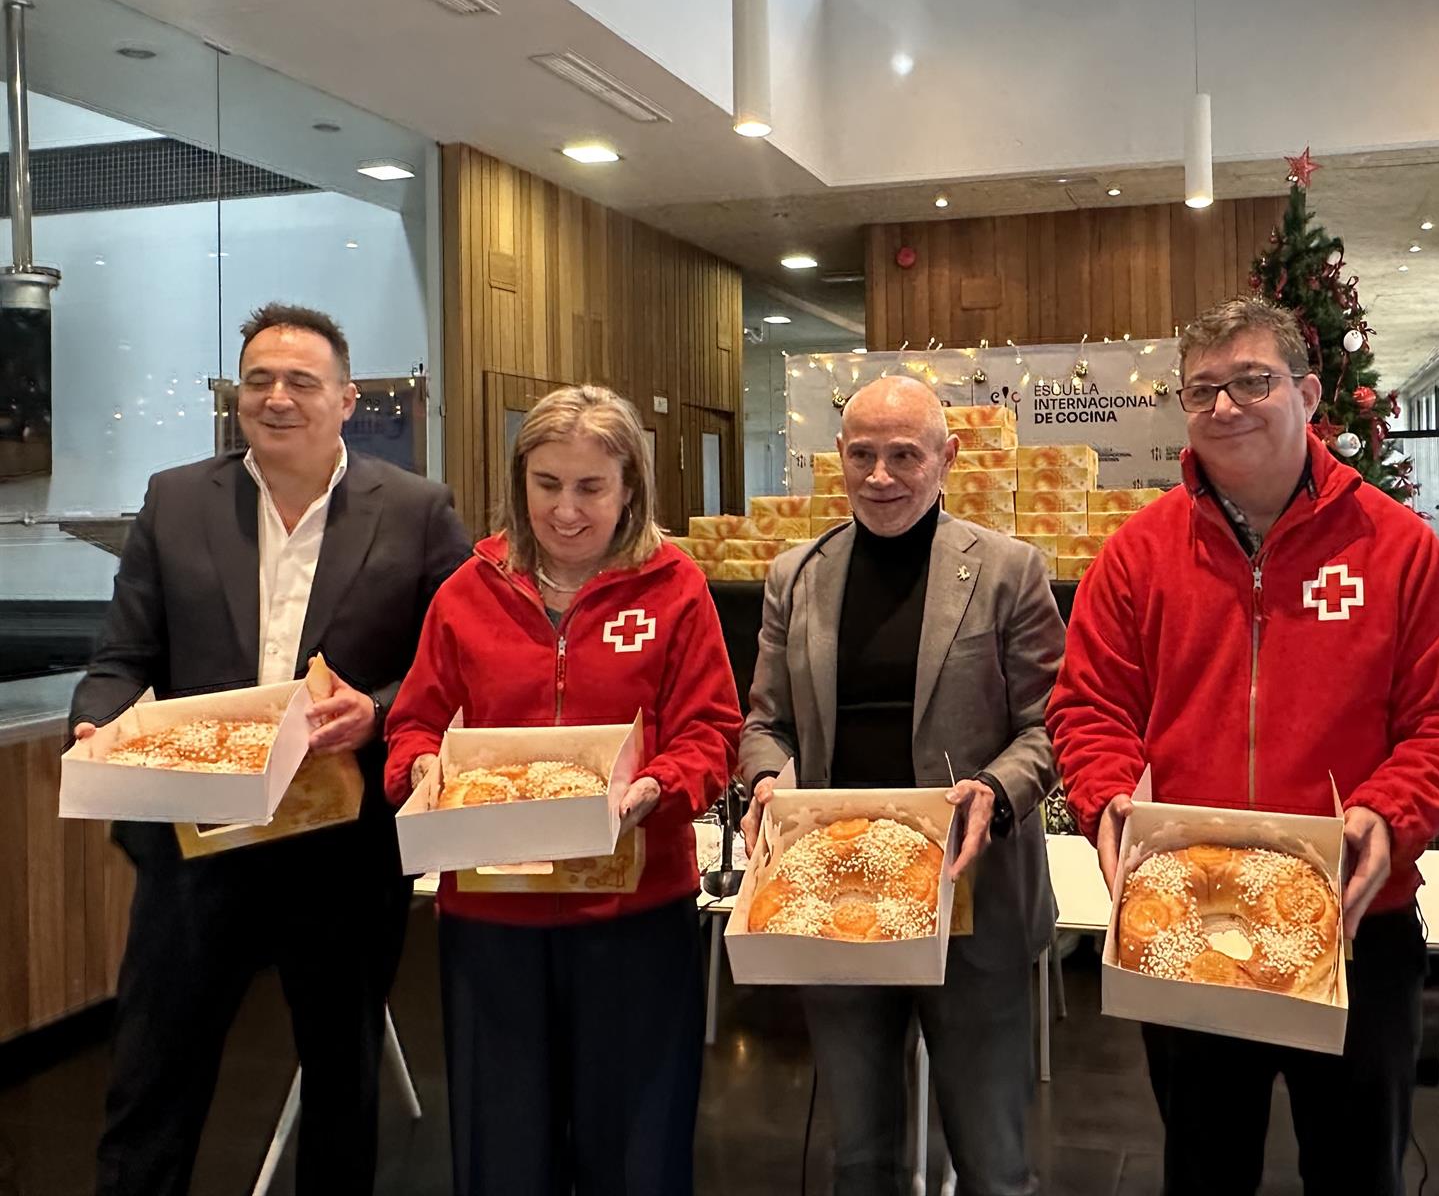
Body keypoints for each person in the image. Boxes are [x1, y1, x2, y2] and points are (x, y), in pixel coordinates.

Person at [1046, 296, 1439, 1196]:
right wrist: (1106, 798)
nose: (1225, 407)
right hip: (1187, 927)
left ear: (1307, 392)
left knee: (1355, 1167)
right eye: (1202, 389)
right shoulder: (1136, 556)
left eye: (1252, 381)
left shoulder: (1398, 550)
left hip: (1352, 924)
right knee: (1204, 1167)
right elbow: (1089, 704)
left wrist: (1387, 811)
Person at [71, 303, 472, 1196]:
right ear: (237, 397)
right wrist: (96, 724)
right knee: (152, 1083)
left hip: (340, 851)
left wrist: (376, 709)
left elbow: (451, 670)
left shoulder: (414, 509)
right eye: (258, 381)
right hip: (195, 847)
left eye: (301, 382)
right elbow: (122, 659)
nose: (277, 398)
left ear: (346, 399)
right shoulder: (176, 499)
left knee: (340, 1084)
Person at [384, 384, 739, 1196]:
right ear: (521, 482)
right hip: (490, 914)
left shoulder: (674, 588)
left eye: (591, 488)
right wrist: (419, 769)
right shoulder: (466, 592)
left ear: (630, 489)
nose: (568, 511)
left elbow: (711, 733)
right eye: (548, 485)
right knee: (502, 1152)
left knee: (635, 1154)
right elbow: (413, 723)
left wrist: (656, 787)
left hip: (635, 913)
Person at [738, 375, 1063, 1196]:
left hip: (972, 898)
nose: (880, 475)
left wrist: (995, 786)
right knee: (859, 1156)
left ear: (947, 459)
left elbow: (1050, 723)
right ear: (838, 459)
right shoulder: (796, 576)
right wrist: (768, 779)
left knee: (995, 1162)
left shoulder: (1010, 571)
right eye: (862, 455)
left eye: (904, 456)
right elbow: (765, 721)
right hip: (836, 897)